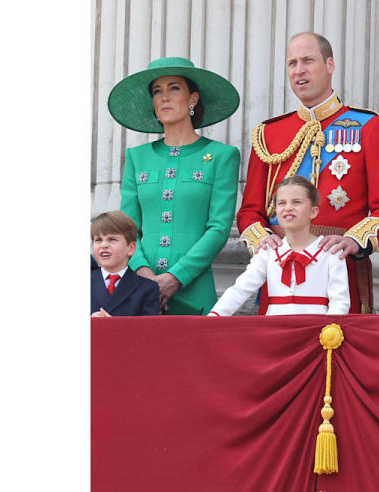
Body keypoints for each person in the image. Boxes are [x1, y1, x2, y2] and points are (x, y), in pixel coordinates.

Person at [236, 32, 379, 314]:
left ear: (330, 65)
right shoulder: (269, 134)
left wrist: (353, 241)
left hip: (339, 267)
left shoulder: (370, 127)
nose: (298, 70)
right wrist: (262, 240)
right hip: (279, 272)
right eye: (292, 63)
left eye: (308, 61)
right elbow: (250, 211)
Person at [107, 57, 241, 315]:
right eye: (157, 91)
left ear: (193, 99)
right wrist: (145, 275)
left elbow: (218, 228)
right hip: (139, 290)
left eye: (174, 88)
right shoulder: (137, 157)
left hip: (194, 292)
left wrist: (175, 276)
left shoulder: (222, 156)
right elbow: (127, 229)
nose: (164, 97)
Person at [209, 176, 349, 316]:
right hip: (275, 331)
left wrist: (326, 331)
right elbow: (239, 290)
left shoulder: (331, 252)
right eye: (282, 203)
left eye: (297, 202)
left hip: (316, 331)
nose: (288, 208)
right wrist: (214, 316)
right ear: (276, 210)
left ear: (313, 212)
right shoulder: (268, 252)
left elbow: (340, 302)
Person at [91, 211, 160, 317]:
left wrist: (115, 327)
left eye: (112, 239)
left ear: (131, 248)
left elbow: (149, 331)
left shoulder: (147, 289)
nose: (104, 245)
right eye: (98, 240)